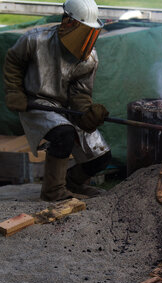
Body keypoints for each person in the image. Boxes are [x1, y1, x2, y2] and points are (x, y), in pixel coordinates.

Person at [3, 0, 111, 202]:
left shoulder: (89, 59)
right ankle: (53, 191)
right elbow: (13, 62)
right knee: (64, 134)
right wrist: (14, 91)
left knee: (101, 157)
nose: (87, 38)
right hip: (37, 103)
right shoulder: (35, 40)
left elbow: (80, 94)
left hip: (66, 109)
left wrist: (86, 113)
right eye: (83, 30)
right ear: (66, 22)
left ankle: (72, 183)